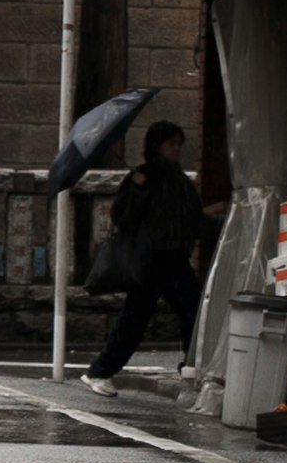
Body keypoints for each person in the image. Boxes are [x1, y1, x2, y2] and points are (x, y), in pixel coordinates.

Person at [84, 122, 209, 396]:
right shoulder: (144, 177)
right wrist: (138, 191)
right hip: (150, 260)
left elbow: (192, 217)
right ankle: (99, 371)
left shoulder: (178, 180)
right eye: (171, 144)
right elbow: (123, 217)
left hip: (174, 258)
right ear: (157, 146)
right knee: (137, 318)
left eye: (179, 144)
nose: (176, 149)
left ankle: (191, 366)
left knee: (193, 312)